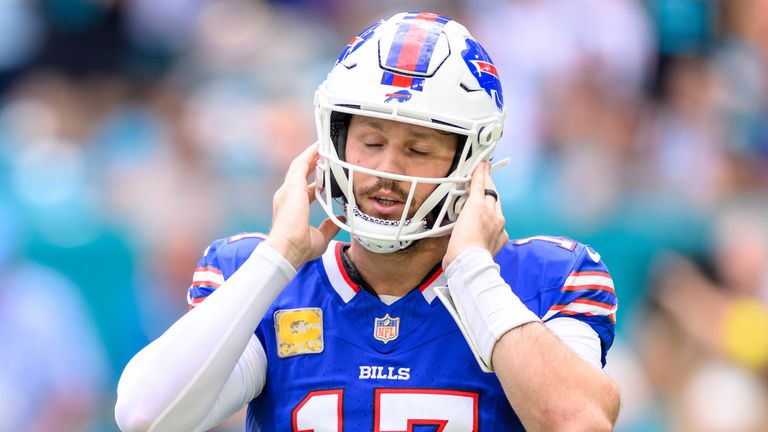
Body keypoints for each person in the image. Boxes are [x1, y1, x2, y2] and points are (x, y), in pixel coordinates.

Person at [115, 11, 620, 431]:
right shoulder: (261, 274)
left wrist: (472, 273)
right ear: (335, 141)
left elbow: (579, 422)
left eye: (418, 149)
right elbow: (147, 417)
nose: (385, 172)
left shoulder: (547, 277)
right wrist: (277, 259)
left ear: (472, 163)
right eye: (371, 143)